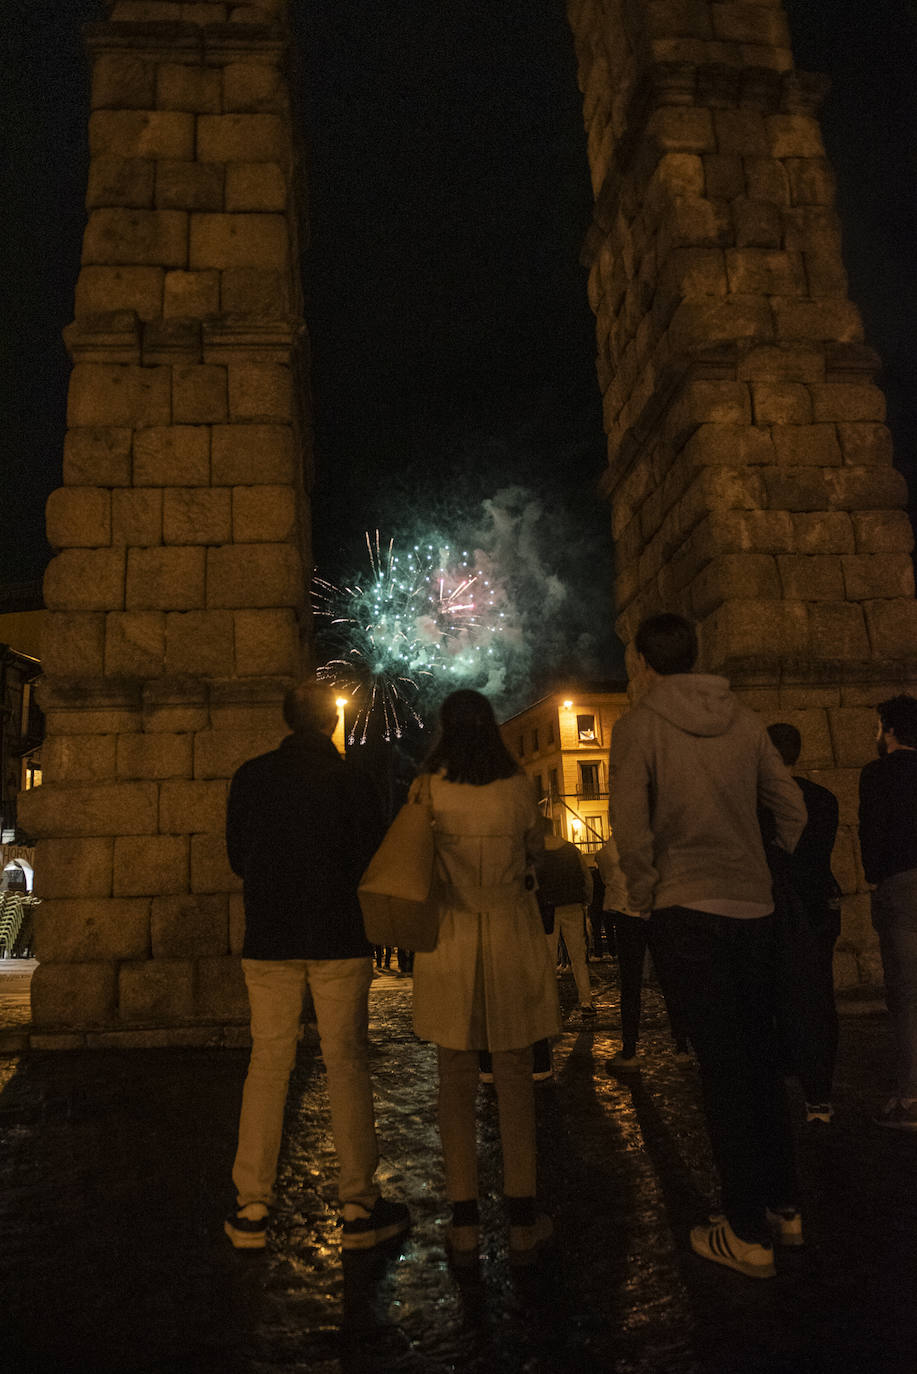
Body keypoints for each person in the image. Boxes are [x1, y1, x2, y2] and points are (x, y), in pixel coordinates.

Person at [610, 613, 807, 1279]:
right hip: (752, 906)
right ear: (699, 653)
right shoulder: (746, 720)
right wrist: (765, 862)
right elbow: (791, 810)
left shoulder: (637, 726)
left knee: (719, 1067)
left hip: (682, 908)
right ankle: (784, 1206)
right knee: (759, 1056)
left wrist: (644, 890)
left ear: (643, 662)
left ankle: (744, 1232)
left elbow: (629, 825)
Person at [223, 680, 410, 1251]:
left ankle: (251, 1206)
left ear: (286, 722)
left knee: (269, 1061)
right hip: (337, 935)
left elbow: (237, 857)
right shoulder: (352, 779)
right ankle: (358, 1204)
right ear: (329, 721)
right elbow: (371, 856)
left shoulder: (251, 777)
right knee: (347, 1062)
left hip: (270, 938)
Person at [410, 689, 561, 1267]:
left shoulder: (427, 788)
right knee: (515, 1071)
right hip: (509, 931)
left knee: (454, 1074)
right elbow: (535, 852)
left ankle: (464, 1217)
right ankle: (523, 1214)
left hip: (450, 933)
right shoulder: (519, 787)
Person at [766, 723, 841, 1124]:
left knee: (771, 995)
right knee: (817, 997)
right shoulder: (824, 799)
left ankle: (778, 1076)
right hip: (816, 908)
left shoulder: (759, 802)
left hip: (777, 907)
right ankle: (819, 1093)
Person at [858, 694, 917, 1131]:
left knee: (906, 993)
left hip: (899, 884)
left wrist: (877, 875)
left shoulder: (877, 775)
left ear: (890, 729)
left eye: (880, 727)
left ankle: (911, 1096)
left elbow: (871, 833)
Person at [594, 834, 690, 1069]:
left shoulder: (608, 851)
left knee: (630, 984)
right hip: (660, 912)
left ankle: (629, 1050)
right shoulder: (659, 841)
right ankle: (682, 1046)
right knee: (670, 980)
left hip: (629, 916)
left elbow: (608, 877)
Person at [539, 817, 597, 1018]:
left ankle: (549, 1005)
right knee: (579, 958)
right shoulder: (571, 849)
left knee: (547, 958)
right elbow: (586, 877)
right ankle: (586, 1001)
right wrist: (586, 899)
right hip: (573, 906)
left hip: (547, 909)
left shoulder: (536, 853)